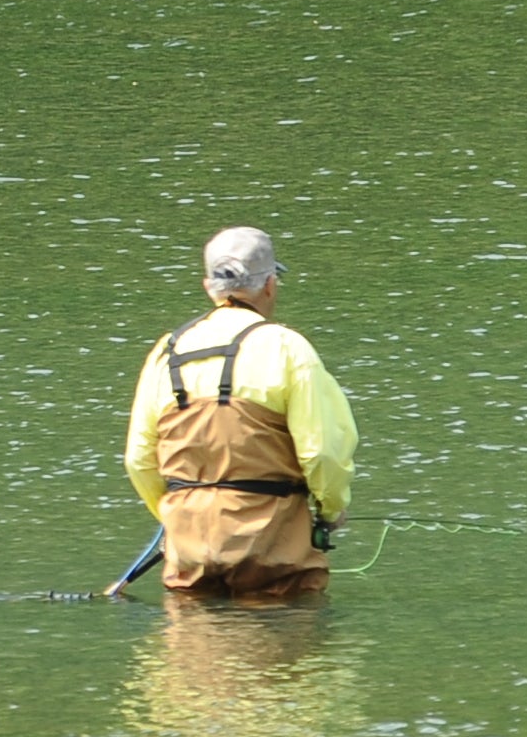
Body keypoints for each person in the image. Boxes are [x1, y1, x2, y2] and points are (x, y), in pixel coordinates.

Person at [119, 225, 355, 599]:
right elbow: (323, 452)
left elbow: (138, 460)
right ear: (270, 285)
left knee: (190, 649)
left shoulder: (166, 352)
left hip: (189, 547)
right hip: (273, 549)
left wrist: (173, 517)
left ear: (208, 286)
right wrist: (330, 510)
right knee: (289, 645)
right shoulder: (287, 348)